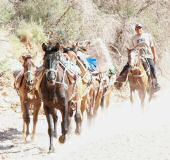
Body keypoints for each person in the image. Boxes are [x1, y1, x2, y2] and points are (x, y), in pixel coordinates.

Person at [114, 23, 160, 92]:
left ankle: (155, 84)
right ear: (135, 30)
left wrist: (154, 56)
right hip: (137, 56)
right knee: (128, 65)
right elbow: (131, 48)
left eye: (140, 28)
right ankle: (119, 81)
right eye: (137, 28)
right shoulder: (133, 38)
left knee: (152, 66)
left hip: (147, 55)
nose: (139, 29)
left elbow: (152, 46)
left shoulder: (147, 36)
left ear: (142, 28)